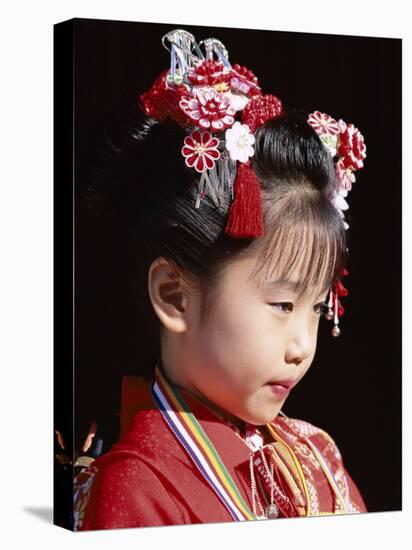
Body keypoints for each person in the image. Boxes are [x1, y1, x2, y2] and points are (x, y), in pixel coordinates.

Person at [73, 28, 368, 530]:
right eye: (282, 305)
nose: (302, 346)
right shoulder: (135, 487)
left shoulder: (317, 453)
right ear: (174, 296)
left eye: (318, 309)